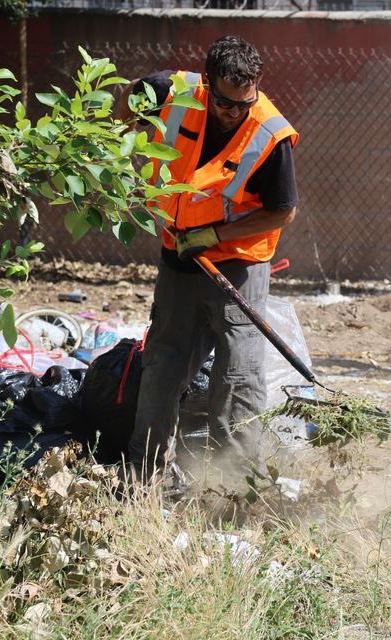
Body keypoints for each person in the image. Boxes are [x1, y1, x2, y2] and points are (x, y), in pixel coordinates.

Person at [117, 36, 299, 478]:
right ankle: (145, 478)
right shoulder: (173, 91)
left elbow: (282, 212)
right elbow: (128, 101)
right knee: (163, 365)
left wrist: (215, 234)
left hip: (238, 265)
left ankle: (234, 487)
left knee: (238, 377)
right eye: (224, 102)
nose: (233, 112)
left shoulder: (270, 134)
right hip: (178, 256)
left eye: (243, 103)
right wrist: (122, 154)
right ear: (206, 83)